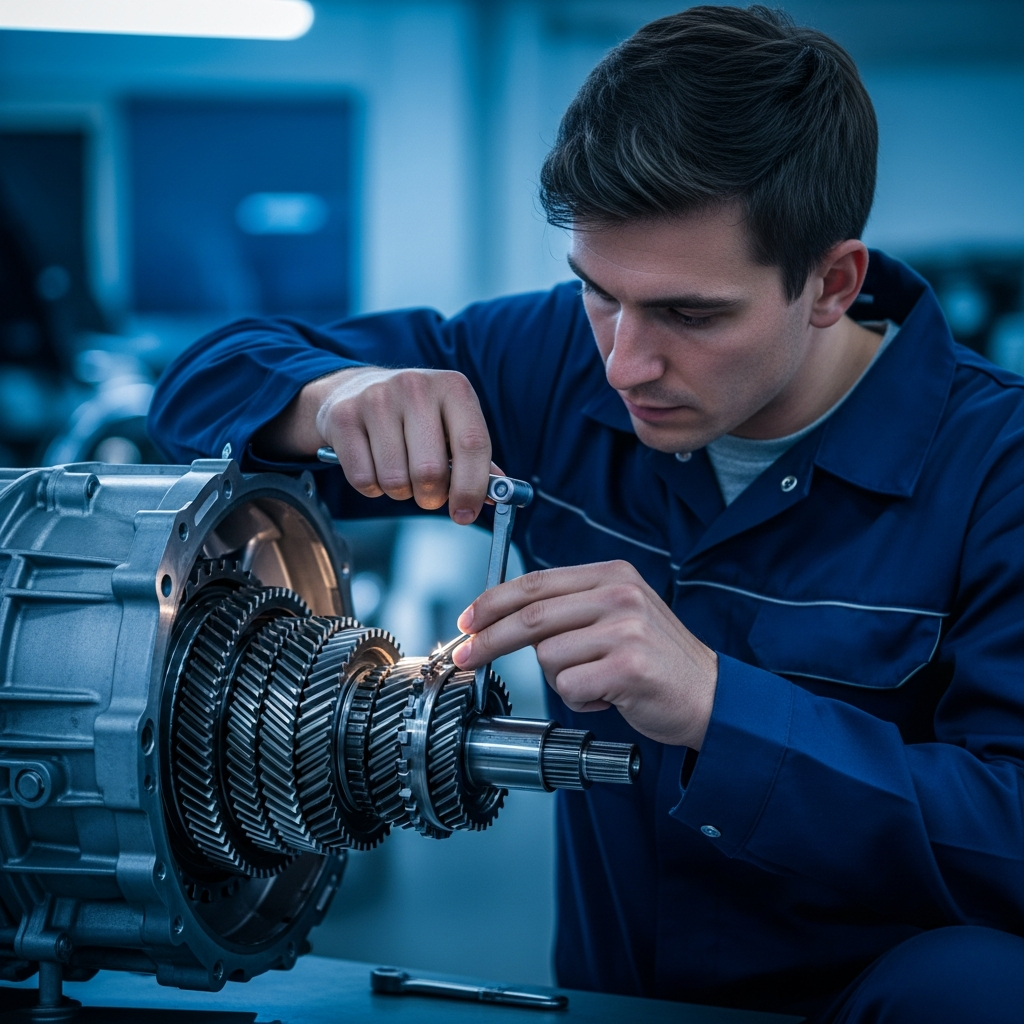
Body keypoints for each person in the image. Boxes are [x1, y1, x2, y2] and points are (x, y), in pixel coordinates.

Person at [148, 6, 1024, 1021]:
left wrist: (717, 705)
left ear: (830, 283)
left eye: (690, 314)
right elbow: (194, 393)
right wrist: (328, 397)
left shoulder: (996, 471)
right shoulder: (547, 361)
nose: (622, 364)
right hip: (613, 994)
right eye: (599, 293)